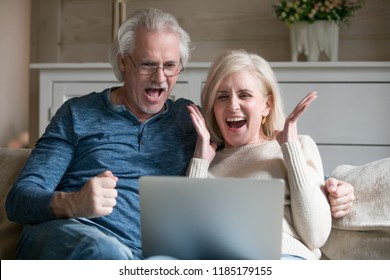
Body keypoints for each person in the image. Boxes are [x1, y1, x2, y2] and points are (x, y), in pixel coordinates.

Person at [6, 8, 353, 260]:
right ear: (124, 62)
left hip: (152, 260)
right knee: (106, 252)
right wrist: (74, 203)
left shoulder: (193, 121)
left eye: (170, 66)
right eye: (147, 64)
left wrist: (331, 186)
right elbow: (19, 200)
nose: (160, 78)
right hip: (74, 236)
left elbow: (255, 155)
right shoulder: (77, 113)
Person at [186, 49, 333, 259]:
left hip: (284, 256)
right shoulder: (205, 160)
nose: (233, 105)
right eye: (222, 97)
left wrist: (290, 150)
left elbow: (316, 235)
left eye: (245, 95)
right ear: (213, 107)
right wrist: (200, 161)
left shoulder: (298, 146)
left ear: (267, 105)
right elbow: (186, 239)